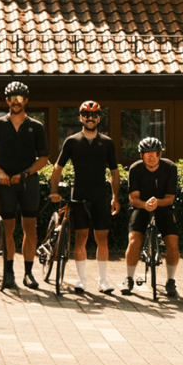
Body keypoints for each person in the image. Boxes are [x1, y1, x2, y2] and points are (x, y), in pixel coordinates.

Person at [0, 81, 49, 290]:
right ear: (7, 101)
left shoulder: (36, 126)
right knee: (8, 228)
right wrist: (0, 172)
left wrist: (26, 173)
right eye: (12, 98)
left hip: (28, 182)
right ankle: (8, 271)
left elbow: (44, 157)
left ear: (26, 100)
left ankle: (28, 273)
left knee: (30, 227)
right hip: (5, 183)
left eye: (19, 98)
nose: (16, 102)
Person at [48, 101, 121, 294]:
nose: (90, 118)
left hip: (100, 195)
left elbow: (114, 172)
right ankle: (81, 280)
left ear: (99, 118)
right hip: (78, 194)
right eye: (86, 114)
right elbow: (57, 167)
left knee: (102, 238)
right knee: (80, 237)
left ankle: (103, 281)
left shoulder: (107, 142)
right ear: (80, 117)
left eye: (94, 114)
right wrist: (54, 190)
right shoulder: (72, 141)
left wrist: (115, 197)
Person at [124, 137, 180, 297]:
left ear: (160, 153)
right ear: (141, 155)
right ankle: (128, 278)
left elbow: (170, 198)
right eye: (147, 154)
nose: (151, 157)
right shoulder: (135, 169)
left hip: (164, 207)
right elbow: (132, 198)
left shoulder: (170, 167)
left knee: (172, 243)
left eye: (154, 153)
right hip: (141, 207)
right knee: (134, 241)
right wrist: (144, 205)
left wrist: (157, 202)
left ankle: (170, 280)